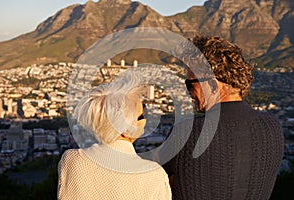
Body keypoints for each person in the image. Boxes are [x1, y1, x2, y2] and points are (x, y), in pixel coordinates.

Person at [163, 35, 284, 200]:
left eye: (190, 84)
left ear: (212, 85)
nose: (189, 92)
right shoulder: (273, 127)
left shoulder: (187, 132)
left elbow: (151, 182)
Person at [58, 73, 171, 200]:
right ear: (124, 128)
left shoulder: (72, 160)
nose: (144, 120)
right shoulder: (153, 175)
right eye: (141, 116)